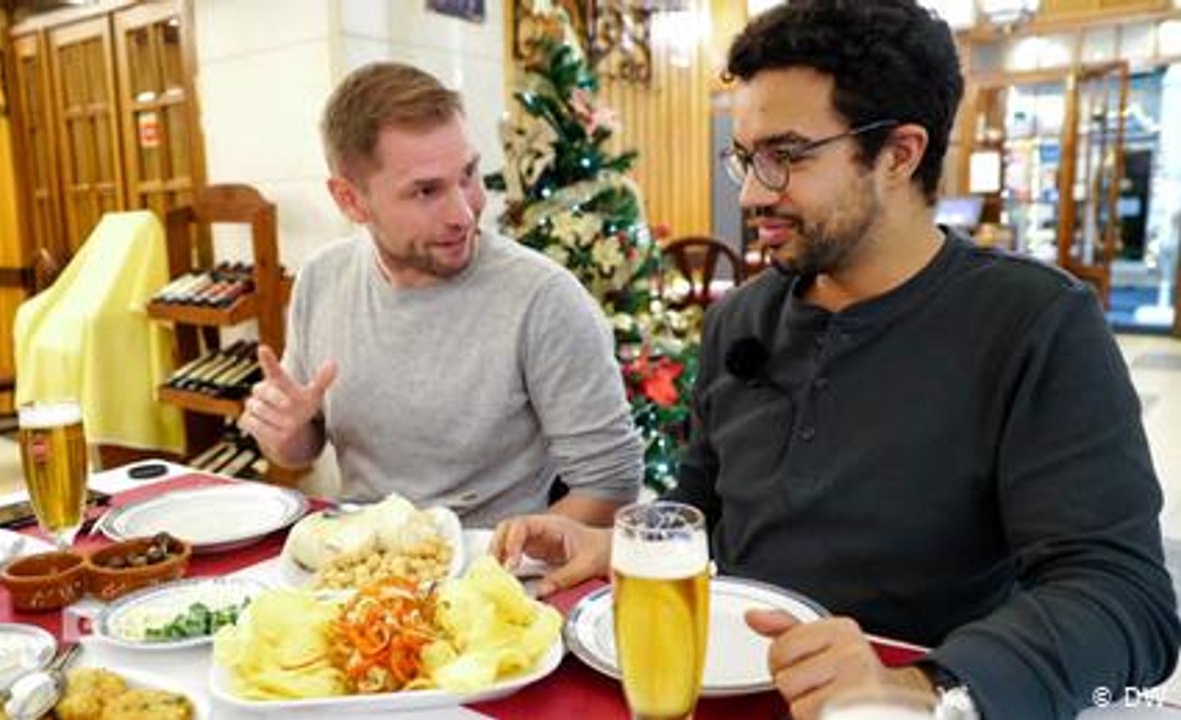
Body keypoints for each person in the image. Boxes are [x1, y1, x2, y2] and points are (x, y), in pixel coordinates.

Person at [493, 1, 1181, 718]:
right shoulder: (740, 317)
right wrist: (616, 546)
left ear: (899, 154)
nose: (754, 192)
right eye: (747, 157)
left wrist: (925, 685)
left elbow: (1124, 599)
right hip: (717, 682)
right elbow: (702, 511)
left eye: (786, 157)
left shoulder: (1035, 325)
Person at [238, 62, 643, 528]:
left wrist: (498, 559)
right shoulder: (320, 279)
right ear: (350, 200)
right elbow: (301, 450)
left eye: (468, 175)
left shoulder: (543, 299)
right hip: (360, 565)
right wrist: (287, 433)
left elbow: (611, 482)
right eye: (426, 191)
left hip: (498, 573)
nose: (464, 214)